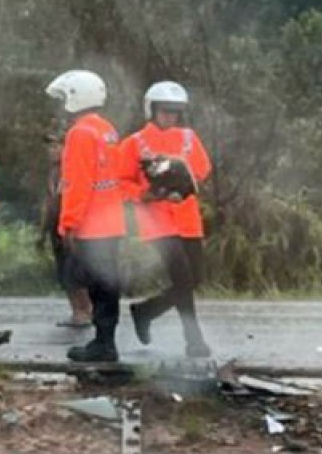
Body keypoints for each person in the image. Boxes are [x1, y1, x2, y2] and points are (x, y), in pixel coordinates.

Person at [120, 81, 213, 358]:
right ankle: (193, 339)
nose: (170, 117)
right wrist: (144, 194)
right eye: (165, 111)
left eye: (175, 112)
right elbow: (121, 182)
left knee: (194, 278)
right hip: (157, 222)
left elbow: (202, 169)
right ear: (152, 110)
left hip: (187, 218)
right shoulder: (134, 144)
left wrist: (181, 180)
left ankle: (145, 310)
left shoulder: (188, 138)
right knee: (182, 276)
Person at [45, 69, 126, 362]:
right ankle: (105, 340)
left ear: (76, 98)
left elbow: (77, 183)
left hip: (91, 225)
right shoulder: (107, 130)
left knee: (94, 283)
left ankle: (104, 344)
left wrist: (68, 223)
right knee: (106, 283)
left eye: (64, 97)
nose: (61, 104)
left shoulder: (79, 133)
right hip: (111, 221)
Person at [37, 130, 92, 328]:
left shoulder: (73, 169)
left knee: (74, 270)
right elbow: (48, 202)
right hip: (55, 225)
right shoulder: (53, 172)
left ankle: (85, 310)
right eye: (50, 147)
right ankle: (76, 311)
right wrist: (41, 232)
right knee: (62, 271)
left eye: (56, 146)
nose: (52, 151)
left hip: (70, 225)